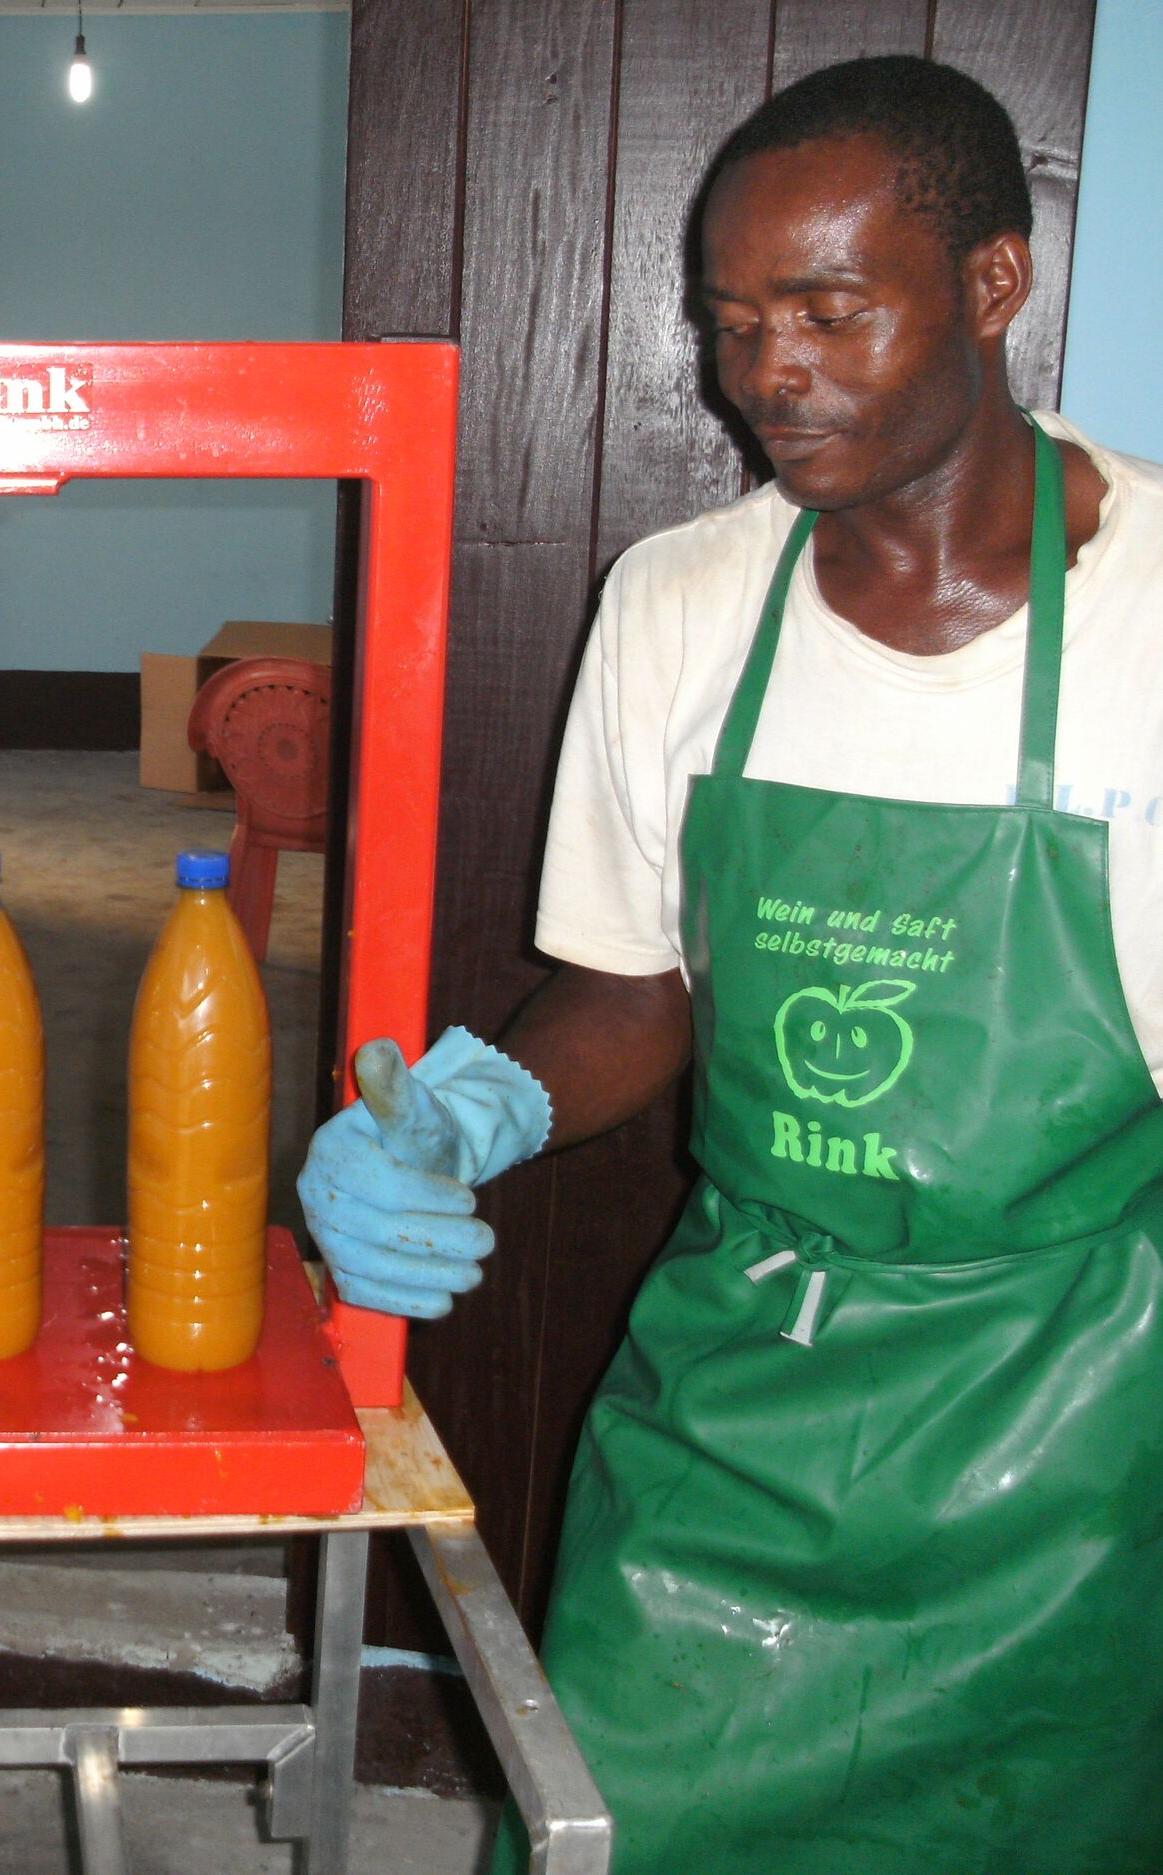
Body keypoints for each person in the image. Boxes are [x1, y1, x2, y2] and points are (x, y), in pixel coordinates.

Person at [300, 55, 1163, 1875]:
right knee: (623, 1822)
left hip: (1090, 1420)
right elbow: (639, 989)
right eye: (735, 320)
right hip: (748, 1393)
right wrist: (475, 1110)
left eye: (831, 312)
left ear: (994, 284)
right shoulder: (684, 603)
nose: (768, 374)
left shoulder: (1151, 615)